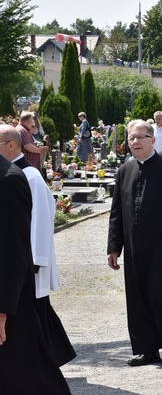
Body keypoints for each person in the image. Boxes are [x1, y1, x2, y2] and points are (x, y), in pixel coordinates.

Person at [107, 120, 162, 366]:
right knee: (138, 296)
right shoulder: (124, 171)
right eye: (131, 138)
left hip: (161, 247)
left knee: (160, 294)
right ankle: (146, 348)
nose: (135, 142)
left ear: (153, 140)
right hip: (133, 248)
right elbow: (117, 212)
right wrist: (113, 247)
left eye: (140, 137)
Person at [0, 126, 76, 367]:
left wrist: (35, 262)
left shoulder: (29, 175)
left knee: (35, 319)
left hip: (29, 264)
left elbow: (41, 222)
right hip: (20, 264)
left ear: (10, 145)